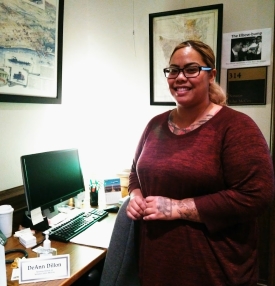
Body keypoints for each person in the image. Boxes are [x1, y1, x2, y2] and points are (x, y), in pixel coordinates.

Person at [126, 40, 274, 286]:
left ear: (211, 75)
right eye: (173, 70)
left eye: (191, 69)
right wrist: (135, 196)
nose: (180, 77)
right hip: (157, 268)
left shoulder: (236, 127)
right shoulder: (155, 125)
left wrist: (177, 208)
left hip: (214, 271)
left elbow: (257, 195)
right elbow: (135, 171)